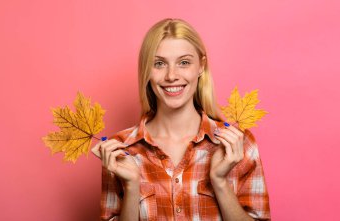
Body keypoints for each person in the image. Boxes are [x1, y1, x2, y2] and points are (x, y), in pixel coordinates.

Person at [92, 18, 270, 221]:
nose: (171, 76)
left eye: (184, 62)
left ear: (201, 66)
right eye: (159, 64)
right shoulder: (120, 150)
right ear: (146, 71)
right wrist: (132, 186)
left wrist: (219, 182)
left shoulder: (239, 144)